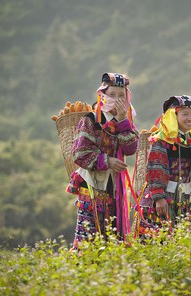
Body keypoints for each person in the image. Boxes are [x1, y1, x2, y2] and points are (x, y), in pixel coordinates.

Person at [66, 72, 139, 247]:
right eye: (112, 95)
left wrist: (122, 120)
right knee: (89, 238)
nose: (117, 99)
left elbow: (131, 148)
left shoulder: (127, 122)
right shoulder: (90, 120)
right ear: (102, 96)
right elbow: (80, 154)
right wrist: (107, 161)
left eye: (121, 95)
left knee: (112, 237)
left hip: (115, 188)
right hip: (92, 185)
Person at [136, 95, 191, 237]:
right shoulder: (161, 141)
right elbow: (155, 169)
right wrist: (159, 198)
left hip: (183, 200)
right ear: (173, 116)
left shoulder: (189, 141)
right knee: (159, 241)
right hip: (164, 199)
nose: (190, 118)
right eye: (185, 114)